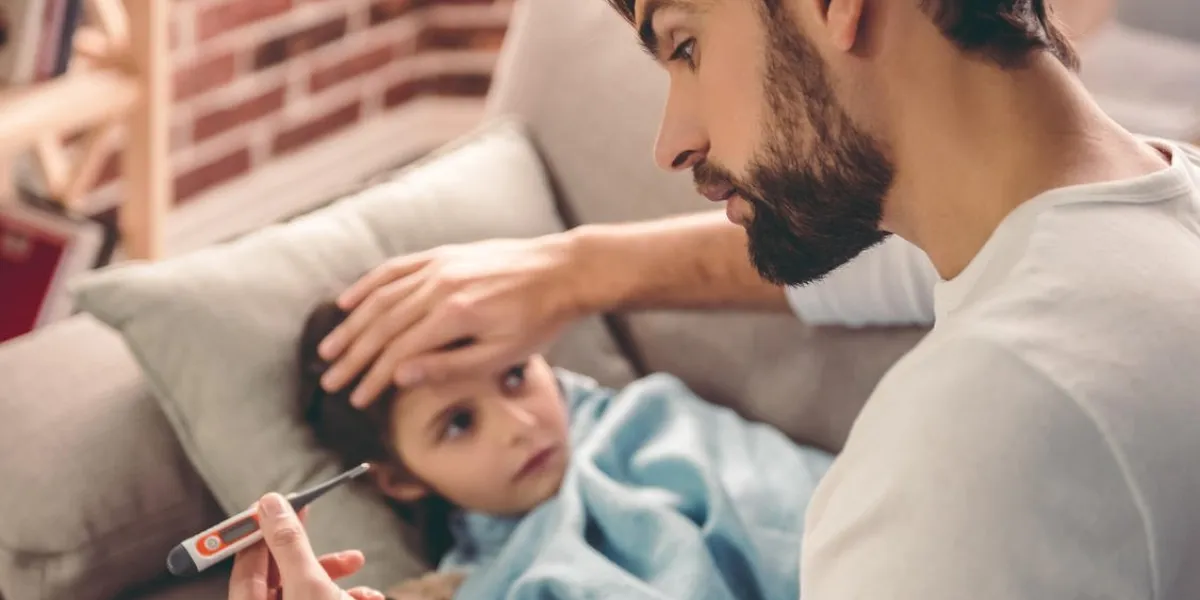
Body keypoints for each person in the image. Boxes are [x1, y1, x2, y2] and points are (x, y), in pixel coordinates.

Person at [233, 0, 1200, 598]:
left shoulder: (973, 443)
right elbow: (890, 266)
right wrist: (574, 270)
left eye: (685, 45)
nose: (673, 142)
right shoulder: (1149, 217)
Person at [289, 300, 834, 599]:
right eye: (459, 424)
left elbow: (799, 511)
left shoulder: (649, 421)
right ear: (401, 479)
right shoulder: (480, 586)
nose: (520, 425)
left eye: (514, 375)